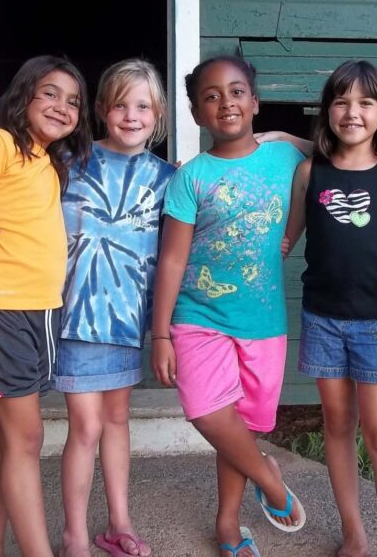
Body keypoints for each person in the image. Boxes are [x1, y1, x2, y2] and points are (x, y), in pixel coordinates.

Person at [0, 58, 173, 557]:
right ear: (101, 111)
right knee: (85, 425)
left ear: (159, 114)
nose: (131, 115)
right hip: (73, 314)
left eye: (143, 106)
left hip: (129, 319)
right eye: (120, 104)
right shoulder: (67, 162)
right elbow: (10, 199)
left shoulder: (170, 176)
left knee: (118, 419)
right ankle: (74, 534)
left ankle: (118, 522)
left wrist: (295, 142)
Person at [150, 55, 307, 557]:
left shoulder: (285, 161)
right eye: (211, 96)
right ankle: (269, 477)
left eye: (237, 92)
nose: (226, 103)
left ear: (255, 102)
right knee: (207, 410)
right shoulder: (190, 177)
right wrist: (160, 334)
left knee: (242, 427)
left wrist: (284, 136)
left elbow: (331, 151)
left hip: (263, 322)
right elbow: (172, 261)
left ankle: (228, 526)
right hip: (199, 317)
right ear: (196, 114)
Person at [0, 55, 93, 557]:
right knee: (26, 440)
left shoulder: (49, 164)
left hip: (41, 311)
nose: (62, 106)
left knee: (6, 441)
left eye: (73, 101)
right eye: (50, 93)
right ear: (23, 95)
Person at [281, 60, 377, 557]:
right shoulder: (309, 171)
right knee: (338, 426)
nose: (352, 112)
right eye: (341, 101)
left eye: (365, 103)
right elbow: (283, 242)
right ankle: (354, 534)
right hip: (322, 320)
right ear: (326, 110)